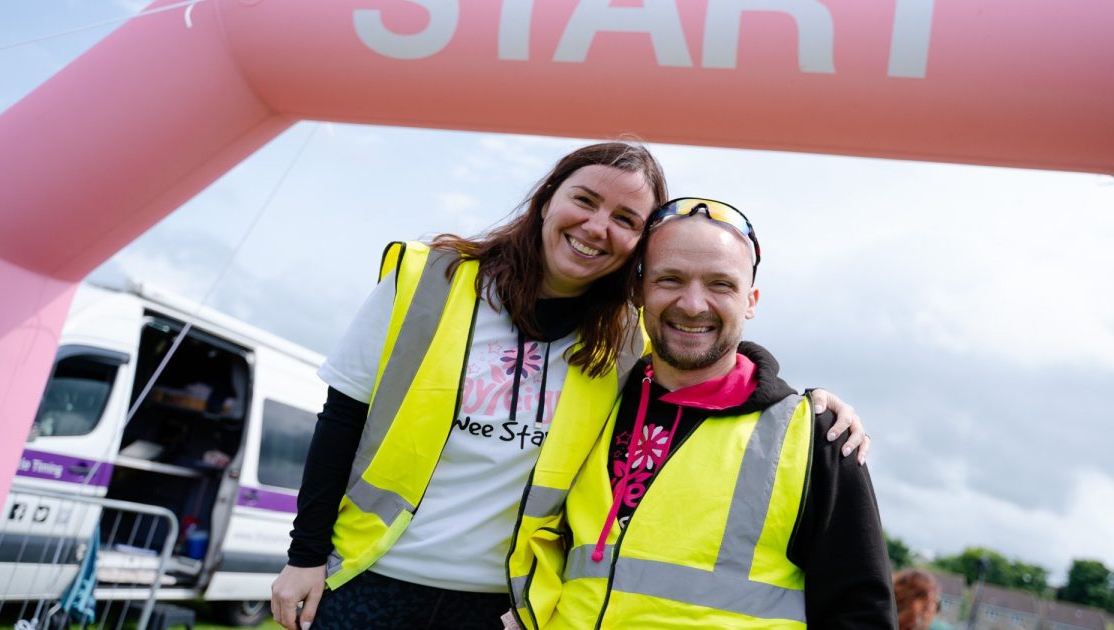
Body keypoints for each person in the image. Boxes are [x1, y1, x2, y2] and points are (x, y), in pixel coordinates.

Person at [270, 145, 872, 630]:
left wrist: (812, 407)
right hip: (373, 576)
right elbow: (341, 419)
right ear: (546, 200)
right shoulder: (430, 282)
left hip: (499, 603)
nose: (596, 226)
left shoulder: (629, 338)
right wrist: (304, 557)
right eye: (584, 200)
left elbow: (711, 347)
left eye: (625, 220)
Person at [508, 197, 894, 628]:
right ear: (638, 290)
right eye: (670, 279)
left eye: (720, 285)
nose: (693, 304)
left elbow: (861, 614)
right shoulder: (591, 396)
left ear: (751, 300)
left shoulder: (816, 436)